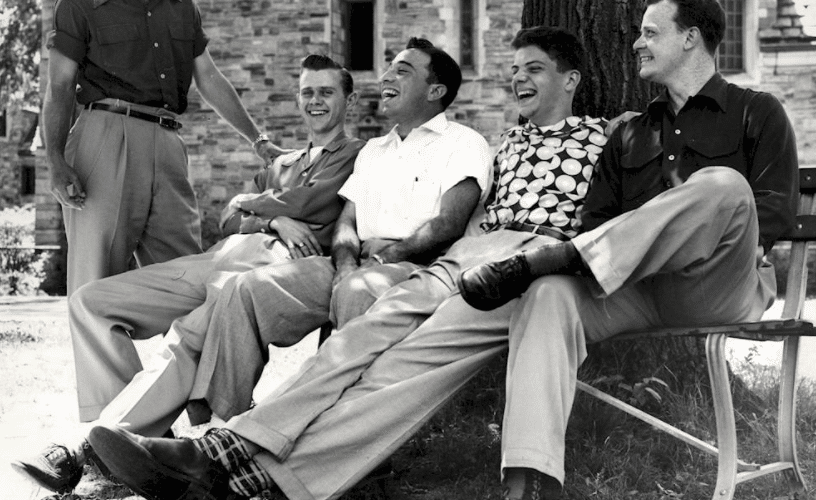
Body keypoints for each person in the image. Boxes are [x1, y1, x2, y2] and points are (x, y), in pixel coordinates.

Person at [86, 26, 611, 500]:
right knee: (246, 291)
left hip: (434, 260)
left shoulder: (479, 141)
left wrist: (386, 258)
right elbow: (347, 220)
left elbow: (451, 222)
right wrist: (342, 259)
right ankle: (219, 434)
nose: (386, 77)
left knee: (365, 300)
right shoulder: (412, 149)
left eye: (402, 71)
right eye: (514, 69)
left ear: (435, 91)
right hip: (390, 260)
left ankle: (266, 458)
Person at [14, 39, 492, 495]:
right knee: (96, 302)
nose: (315, 101)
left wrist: (260, 205)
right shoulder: (362, 153)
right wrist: (298, 229)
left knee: (201, 325)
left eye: (327, 91)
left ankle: (127, 453)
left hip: (375, 264)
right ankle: (151, 440)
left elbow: (434, 220)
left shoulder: (381, 149)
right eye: (306, 92)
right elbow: (244, 218)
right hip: (249, 259)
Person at [43, 0, 284, 298]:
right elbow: (60, 87)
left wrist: (258, 140)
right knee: (96, 283)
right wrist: (54, 161)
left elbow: (208, 77)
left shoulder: (181, 4)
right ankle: (110, 365)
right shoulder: (79, 2)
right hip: (104, 138)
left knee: (188, 279)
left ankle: (187, 364)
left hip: (169, 143)